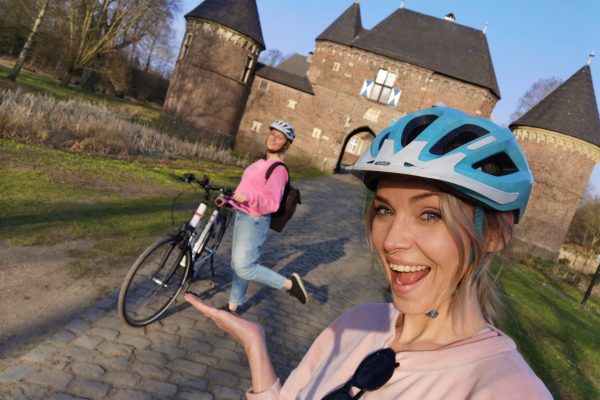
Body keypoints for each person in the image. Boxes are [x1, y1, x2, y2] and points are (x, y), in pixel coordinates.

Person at [185, 107, 553, 399]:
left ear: (495, 233)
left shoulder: (505, 389)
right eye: (384, 210)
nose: (391, 240)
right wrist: (256, 347)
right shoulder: (357, 321)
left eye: (430, 215)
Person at [215, 119, 307, 314]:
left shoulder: (279, 170)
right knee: (237, 265)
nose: (273, 138)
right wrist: (229, 200)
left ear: (285, 144)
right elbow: (245, 189)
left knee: (244, 267)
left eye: (279, 137)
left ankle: (290, 285)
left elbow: (272, 203)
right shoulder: (260, 162)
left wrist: (248, 197)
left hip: (255, 221)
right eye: (272, 133)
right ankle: (233, 307)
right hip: (242, 215)